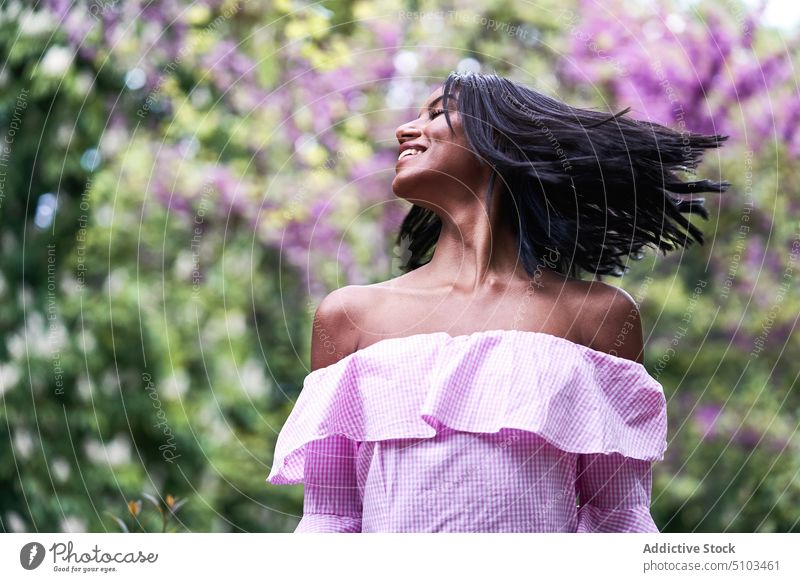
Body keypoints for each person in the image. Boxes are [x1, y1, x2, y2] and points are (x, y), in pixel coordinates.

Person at [266, 71, 729, 532]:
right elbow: (329, 519)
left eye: (435, 113)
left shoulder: (599, 316)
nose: (404, 130)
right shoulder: (349, 316)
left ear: (499, 140)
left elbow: (617, 518)